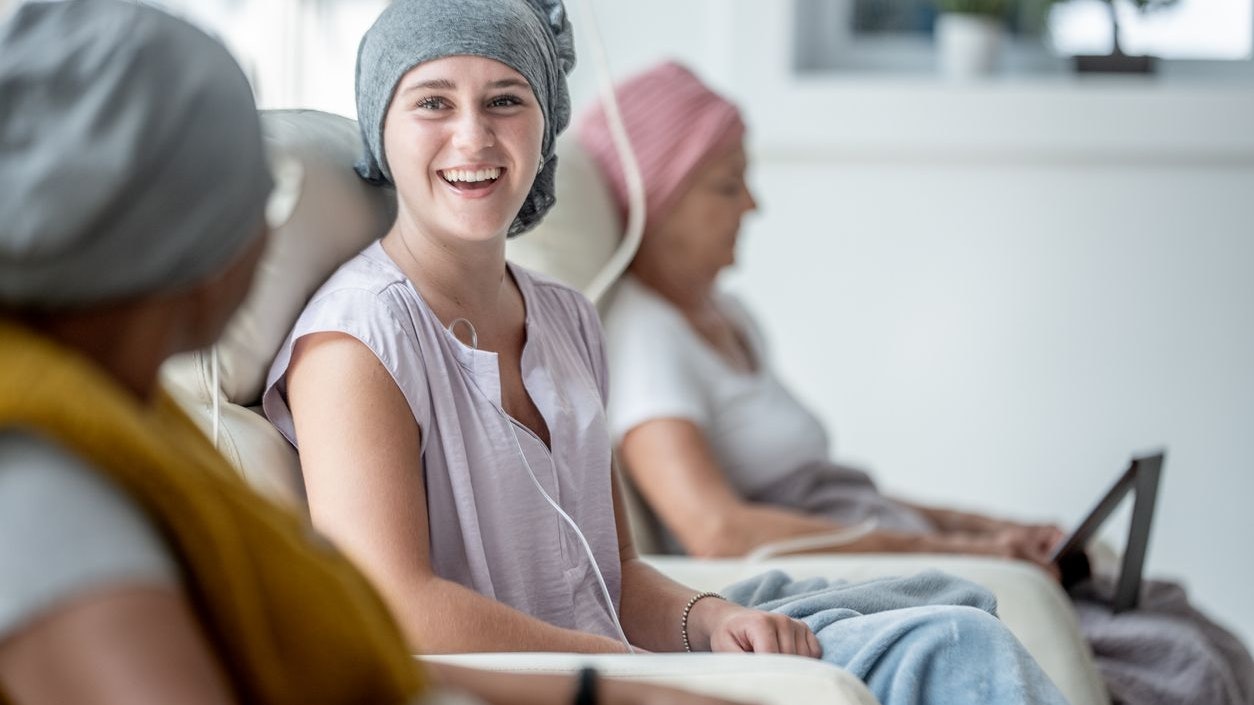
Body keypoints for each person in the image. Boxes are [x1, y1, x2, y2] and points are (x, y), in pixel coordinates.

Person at [263, 2, 1072, 704]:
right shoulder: (356, 341)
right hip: (556, 687)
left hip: (623, 660)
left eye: (506, 99)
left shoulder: (568, 318)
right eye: (432, 102)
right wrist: (630, 671)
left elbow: (614, 569)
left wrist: (712, 619)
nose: (472, 135)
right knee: (949, 653)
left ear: (545, 125)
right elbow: (395, 602)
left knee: (953, 616)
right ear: (381, 124)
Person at [0, 4, 742, 705]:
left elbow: (360, 661)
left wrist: (603, 684)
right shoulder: (43, 484)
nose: (269, 235)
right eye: (255, 199)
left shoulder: (143, 429)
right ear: (180, 239)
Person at [580, 60, 1254, 705]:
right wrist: (960, 550)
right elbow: (717, 531)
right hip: (854, 570)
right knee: (1175, 656)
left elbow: (836, 485)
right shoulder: (646, 339)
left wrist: (992, 526)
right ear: (656, 199)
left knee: (1180, 622)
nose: (752, 204)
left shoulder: (727, 315)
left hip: (877, 527)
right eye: (728, 185)